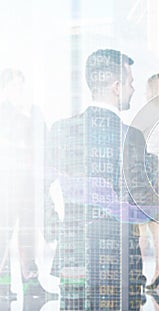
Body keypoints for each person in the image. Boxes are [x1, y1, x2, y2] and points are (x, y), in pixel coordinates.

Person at [47, 49, 157, 310]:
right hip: (116, 263)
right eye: (130, 83)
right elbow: (143, 207)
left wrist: (53, 225)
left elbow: (40, 185)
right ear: (116, 87)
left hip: (73, 257)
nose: (133, 89)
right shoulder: (131, 138)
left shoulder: (61, 130)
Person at [0, 68, 53, 309]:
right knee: (4, 235)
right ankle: (2, 286)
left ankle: (31, 284)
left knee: (28, 237)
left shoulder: (35, 112)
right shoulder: (4, 114)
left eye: (22, 84)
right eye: (14, 85)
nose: (19, 89)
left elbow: (46, 144)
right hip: (8, 185)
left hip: (30, 185)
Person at [138, 73, 159, 295]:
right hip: (147, 175)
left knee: (145, 229)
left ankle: (153, 272)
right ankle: (157, 273)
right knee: (149, 230)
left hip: (152, 174)